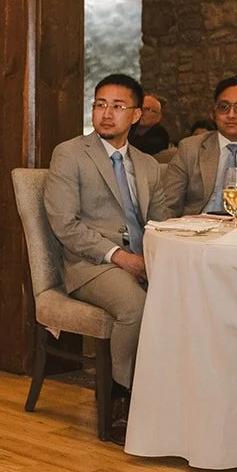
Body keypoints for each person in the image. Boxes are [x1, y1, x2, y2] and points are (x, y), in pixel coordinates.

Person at [44, 73, 168, 405]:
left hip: (144, 259)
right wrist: (120, 256)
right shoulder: (70, 154)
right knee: (136, 307)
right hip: (91, 264)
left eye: (117, 106)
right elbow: (65, 225)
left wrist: (156, 259)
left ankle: (168, 397)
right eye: (100, 105)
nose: (106, 114)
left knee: (194, 298)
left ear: (136, 115)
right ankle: (120, 395)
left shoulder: (148, 165)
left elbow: (161, 222)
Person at [163, 75, 237, 217]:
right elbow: (168, 205)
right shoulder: (190, 148)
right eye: (223, 107)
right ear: (214, 113)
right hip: (197, 231)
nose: (231, 115)